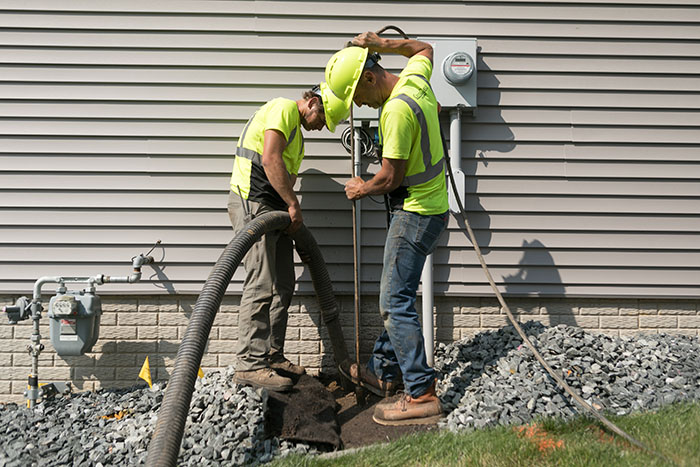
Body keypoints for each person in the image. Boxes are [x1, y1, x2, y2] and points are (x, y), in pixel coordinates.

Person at [323, 32, 449, 425]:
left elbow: (391, 177)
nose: (357, 105)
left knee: (393, 302)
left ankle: (422, 393)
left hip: (415, 211)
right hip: (431, 207)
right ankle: (385, 372)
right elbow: (425, 49)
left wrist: (362, 187)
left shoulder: (395, 111)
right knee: (401, 294)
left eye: (356, 97)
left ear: (369, 79)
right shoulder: (415, 78)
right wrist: (380, 43)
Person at [228, 87, 327, 392]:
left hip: (275, 210)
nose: (322, 126)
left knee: (283, 282)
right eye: (322, 116)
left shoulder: (298, 139)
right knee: (261, 282)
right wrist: (294, 206)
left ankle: (272, 354)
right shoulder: (284, 108)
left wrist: (288, 209)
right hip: (252, 200)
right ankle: (249, 364)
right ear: (311, 102)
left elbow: (287, 178)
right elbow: (270, 160)